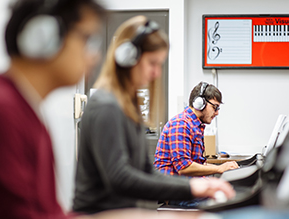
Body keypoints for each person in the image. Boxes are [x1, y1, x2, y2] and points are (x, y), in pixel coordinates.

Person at [72, 16, 235, 215]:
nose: (157, 73)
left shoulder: (128, 107)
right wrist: (192, 187)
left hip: (126, 210)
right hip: (101, 213)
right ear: (127, 57)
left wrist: (201, 186)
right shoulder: (106, 106)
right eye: (152, 63)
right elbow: (119, 177)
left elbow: (145, 170)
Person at [0, 0, 106, 218]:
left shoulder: (27, 111)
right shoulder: (3, 110)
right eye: (87, 39)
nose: (95, 56)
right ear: (44, 36)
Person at [154, 82, 239, 177]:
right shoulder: (180, 124)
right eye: (214, 107)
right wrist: (219, 168)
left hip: (183, 184)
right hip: (171, 187)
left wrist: (225, 167)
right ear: (199, 103)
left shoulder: (194, 126)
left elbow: (198, 164)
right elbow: (184, 167)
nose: (217, 113)